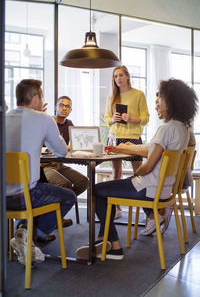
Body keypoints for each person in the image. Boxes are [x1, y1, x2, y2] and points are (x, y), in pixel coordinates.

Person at [76, 78, 198, 260]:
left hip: (147, 187)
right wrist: (121, 148)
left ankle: (114, 245)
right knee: (106, 189)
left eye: (160, 101)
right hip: (162, 189)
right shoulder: (182, 129)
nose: (156, 106)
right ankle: (103, 239)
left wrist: (136, 173)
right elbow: (151, 150)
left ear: (171, 102)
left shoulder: (166, 129)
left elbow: (147, 166)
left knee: (96, 190)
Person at [6, 79, 76, 265]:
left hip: (2, 195)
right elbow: (62, 151)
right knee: (69, 196)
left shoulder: (4, 117)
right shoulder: (44, 119)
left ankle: (23, 231)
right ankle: (32, 235)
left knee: (43, 185)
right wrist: (47, 123)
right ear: (36, 98)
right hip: (25, 195)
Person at [104, 65, 149, 219]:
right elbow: (106, 119)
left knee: (139, 174)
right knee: (116, 173)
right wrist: (112, 119)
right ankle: (117, 209)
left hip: (133, 139)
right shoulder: (111, 97)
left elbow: (146, 118)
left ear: (128, 76)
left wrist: (131, 119)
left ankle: (146, 209)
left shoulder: (139, 94)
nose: (118, 79)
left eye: (121, 75)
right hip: (115, 138)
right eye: (115, 76)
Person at [43, 96, 89, 224]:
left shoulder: (69, 124)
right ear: (55, 107)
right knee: (65, 185)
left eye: (67, 106)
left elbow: (75, 144)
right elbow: (49, 146)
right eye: (61, 105)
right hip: (45, 166)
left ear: (71, 110)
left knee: (84, 182)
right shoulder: (49, 122)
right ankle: (54, 217)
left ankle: (56, 212)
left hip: (59, 165)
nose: (64, 108)